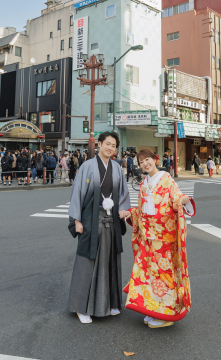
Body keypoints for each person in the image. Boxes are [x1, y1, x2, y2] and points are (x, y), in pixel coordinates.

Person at [124, 148, 195, 328]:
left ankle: (167, 313)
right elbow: (141, 210)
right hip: (148, 237)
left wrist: (183, 200)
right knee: (149, 275)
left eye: (147, 159)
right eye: (141, 162)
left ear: (155, 160)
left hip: (164, 238)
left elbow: (175, 197)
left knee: (164, 276)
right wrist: (130, 213)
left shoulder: (166, 179)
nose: (145, 164)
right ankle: (154, 308)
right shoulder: (144, 183)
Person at [67, 131, 131, 324]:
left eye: (113, 146)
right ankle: (81, 307)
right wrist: (76, 220)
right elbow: (77, 193)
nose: (110, 148)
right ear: (100, 144)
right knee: (88, 260)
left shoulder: (117, 168)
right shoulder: (87, 166)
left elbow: (123, 194)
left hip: (110, 220)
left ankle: (110, 303)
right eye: (107, 144)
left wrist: (125, 210)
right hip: (90, 220)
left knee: (111, 260)